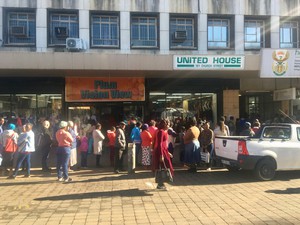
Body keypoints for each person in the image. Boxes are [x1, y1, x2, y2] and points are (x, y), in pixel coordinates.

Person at [153, 119, 174, 190]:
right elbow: (159, 144)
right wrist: (161, 155)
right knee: (163, 167)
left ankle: (161, 183)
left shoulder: (160, 131)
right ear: (164, 125)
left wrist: (167, 152)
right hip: (160, 151)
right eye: (167, 124)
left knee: (162, 167)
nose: (168, 126)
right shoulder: (161, 132)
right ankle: (160, 184)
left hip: (162, 151)